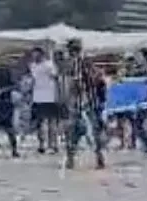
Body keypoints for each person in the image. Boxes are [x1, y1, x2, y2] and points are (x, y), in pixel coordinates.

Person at [59, 38, 106, 170]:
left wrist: (70, 97)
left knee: (74, 130)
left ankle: (71, 158)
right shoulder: (89, 63)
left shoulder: (77, 63)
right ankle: (98, 156)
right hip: (92, 102)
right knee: (93, 129)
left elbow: (77, 83)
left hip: (81, 103)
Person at [28, 46, 59, 154]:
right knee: (40, 122)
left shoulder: (49, 65)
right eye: (33, 55)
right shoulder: (32, 66)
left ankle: (53, 144)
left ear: (41, 54)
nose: (34, 56)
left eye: (36, 54)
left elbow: (55, 77)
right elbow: (33, 80)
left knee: (51, 122)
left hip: (50, 96)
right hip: (37, 96)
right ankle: (42, 144)